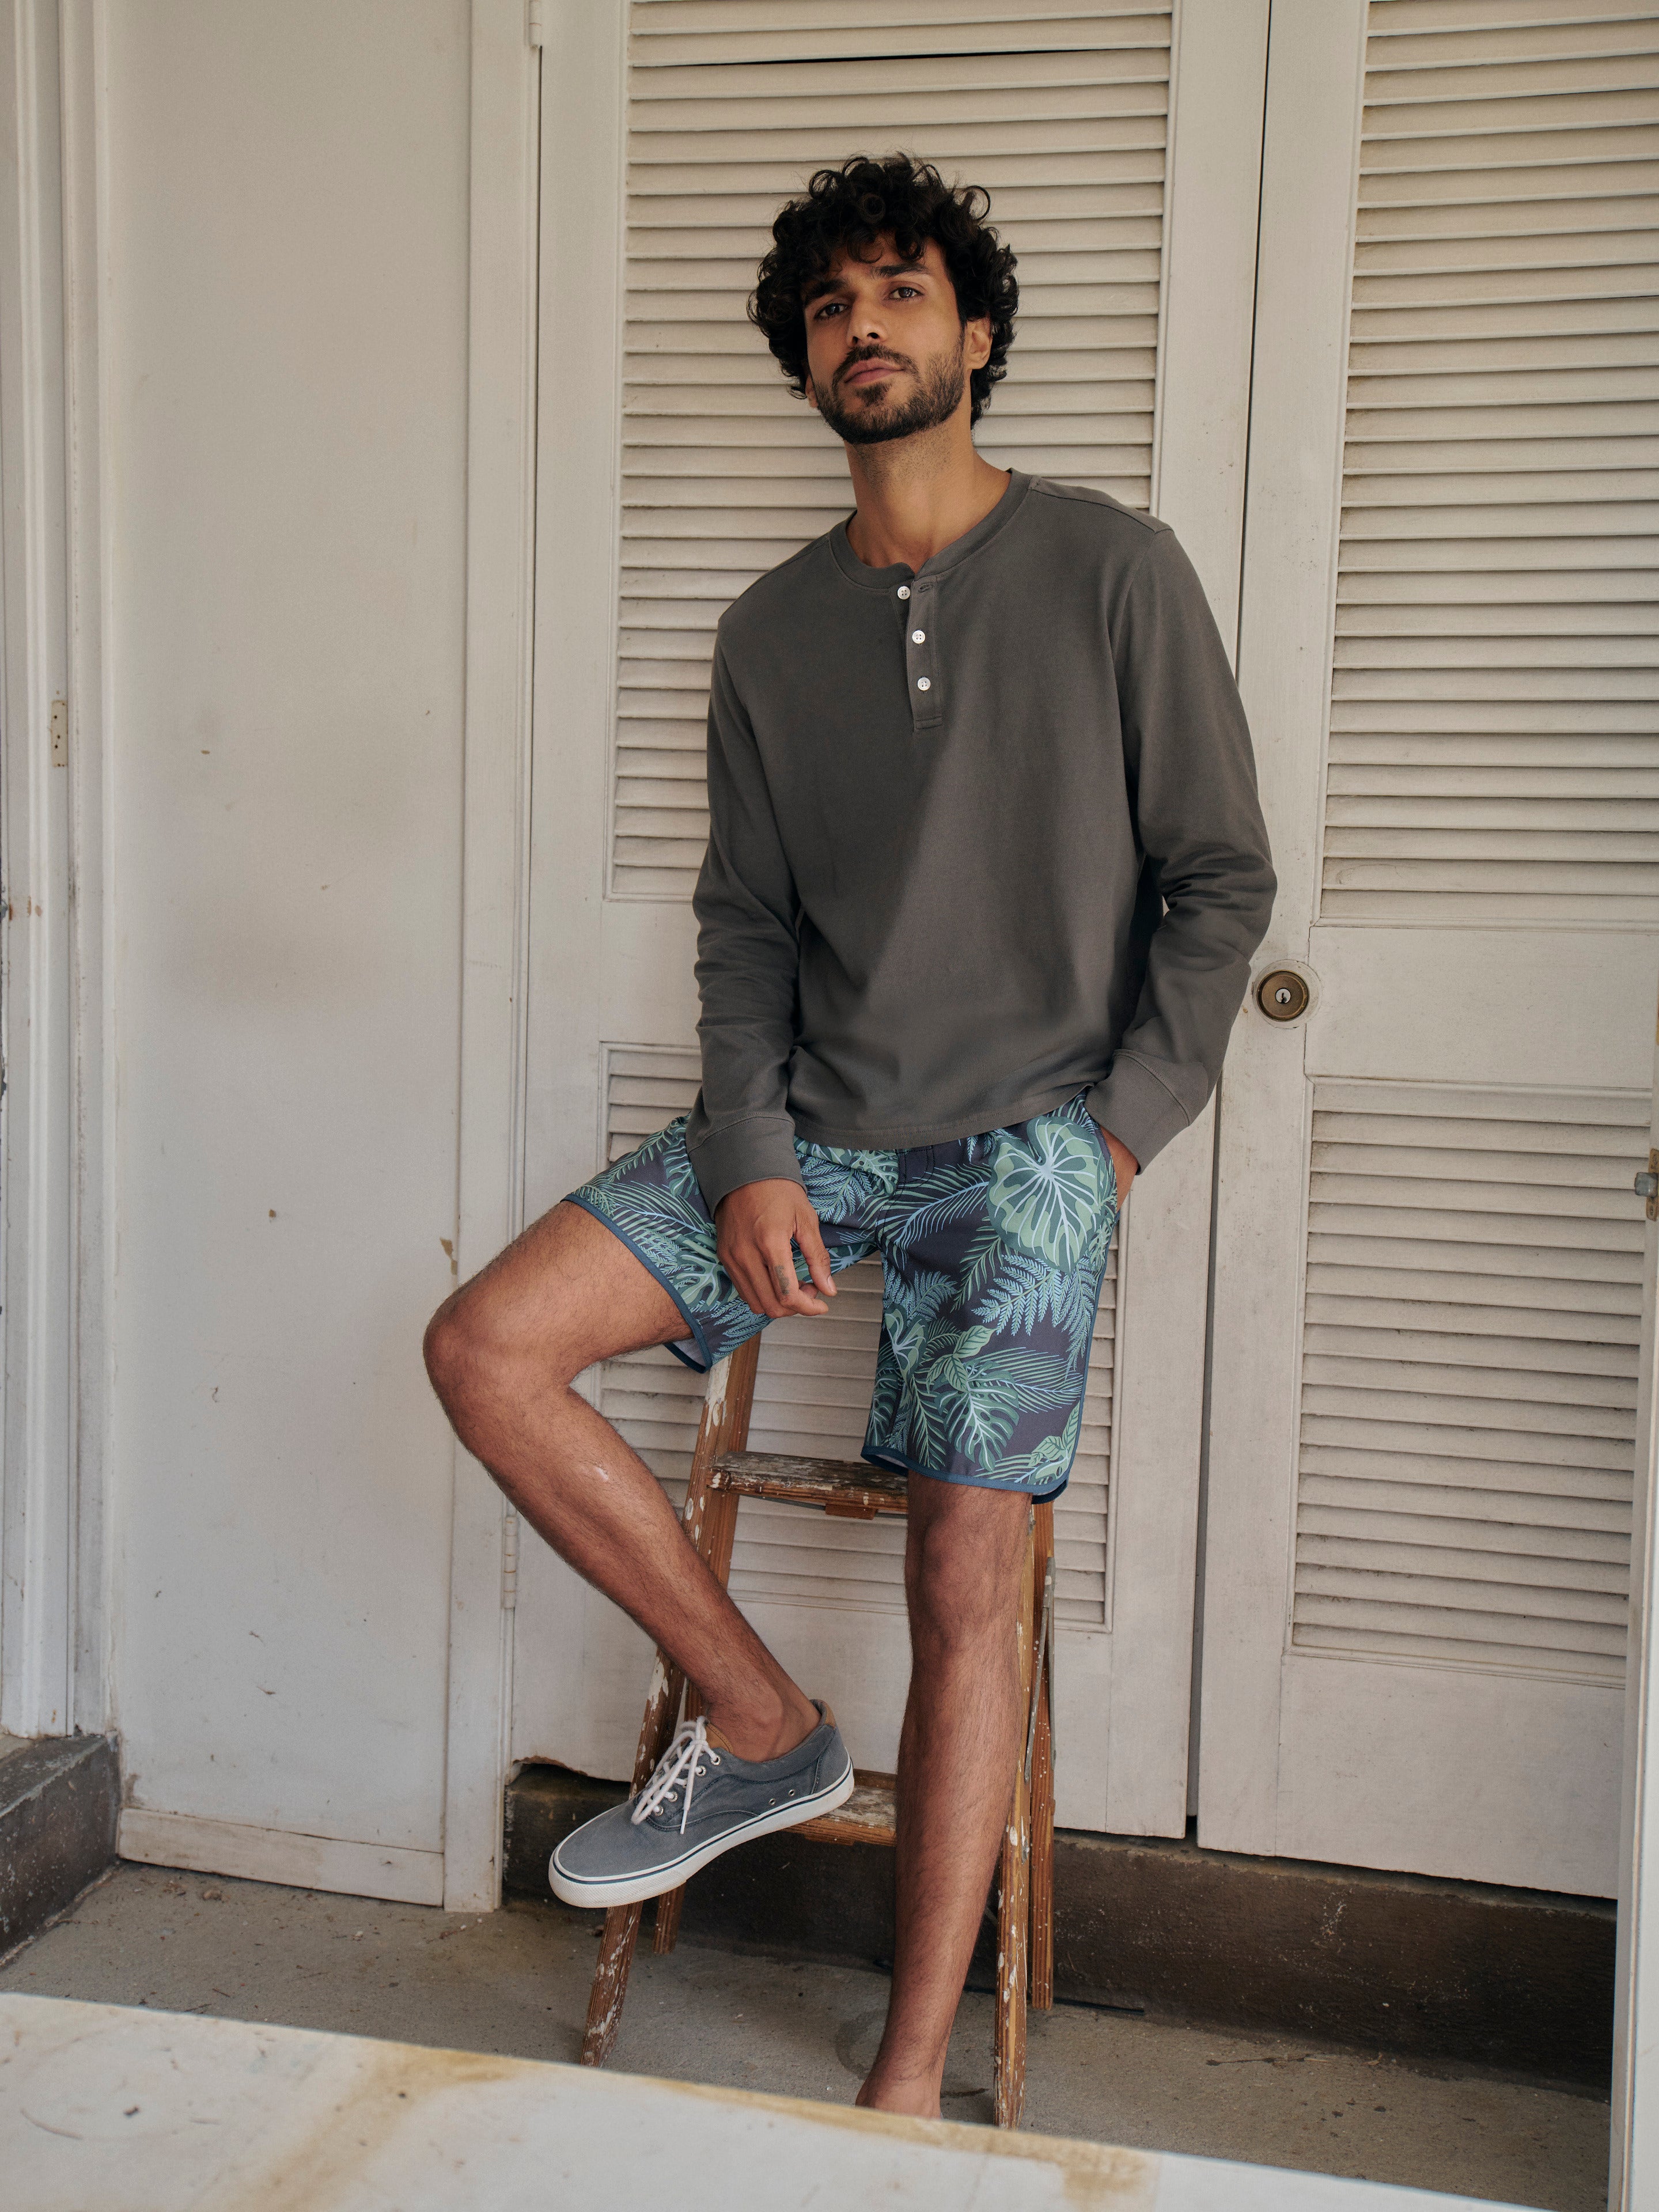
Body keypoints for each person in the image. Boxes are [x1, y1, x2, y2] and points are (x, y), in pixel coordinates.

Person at [423, 151, 1275, 2119]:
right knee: (487, 1347)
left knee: (963, 1578)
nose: (862, 328)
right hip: (818, 1123)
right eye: (828, 308)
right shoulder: (766, 628)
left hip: (1034, 1146)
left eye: (899, 294)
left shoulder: (1115, 571)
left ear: (975, 337)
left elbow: (1220, 887)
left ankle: (906, 2085)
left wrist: (1115, 1144)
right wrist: (748, 1148)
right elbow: (744, 925)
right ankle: (760, 1718)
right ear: (805, 363)